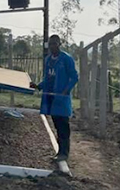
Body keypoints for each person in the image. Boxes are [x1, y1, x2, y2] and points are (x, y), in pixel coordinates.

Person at [31, 34, 78, 162]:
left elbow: (74, 77)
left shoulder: (66, 59)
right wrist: (39, 86)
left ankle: (64, 153)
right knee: (56, 125)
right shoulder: (48, 60)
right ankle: (59, 151)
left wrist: (65, 90)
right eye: (50, 44)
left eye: (54, 44)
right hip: (50, 97)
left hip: (61, 99)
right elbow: (48, 78)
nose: (52, 47)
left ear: (59, 44)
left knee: (63, 126)